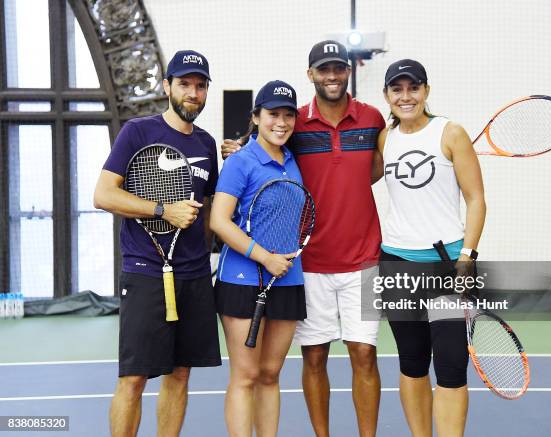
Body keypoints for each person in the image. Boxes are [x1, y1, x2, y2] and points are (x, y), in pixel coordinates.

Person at [222, 41, 385, 437]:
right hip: (308, 266)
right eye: (323, 69)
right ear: (310, 74)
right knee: (313, 358)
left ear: (349, 72)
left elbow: (375, 169)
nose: (332, 75)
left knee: (364, 353)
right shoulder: (295, 127)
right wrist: (241, 148)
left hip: (363, 261)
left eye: (339, 68)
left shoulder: (373, 119)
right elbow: (263, 151)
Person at [93, 50, 221, 437]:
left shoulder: (207, 143)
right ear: (167, 87)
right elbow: (103, 195)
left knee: (180, 374)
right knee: (134, 379)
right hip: (146, 273)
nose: (192, 93)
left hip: (195, 275)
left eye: (200, 86)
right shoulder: (138, 132)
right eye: (184, 84)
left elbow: (210, 206)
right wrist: (162, 210)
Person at [377, 59, 486, 437]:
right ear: (387, 95)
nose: (405, 96)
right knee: (412, 361)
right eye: (397, 89)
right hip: (396, 264)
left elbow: (476, 199)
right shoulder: (385, 138)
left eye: (413, 88)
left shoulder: (451, 133)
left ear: (426, 91)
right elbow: (344, 170)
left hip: (447, 266)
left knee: (452, 365)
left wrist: (467, 256)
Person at [210, 80, 306, 437]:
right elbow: (219, 221)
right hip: (243, 281)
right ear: (256, 117)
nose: (280, 122)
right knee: (246, 375)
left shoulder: (295, 160)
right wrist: (265, 258)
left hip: (288, 280)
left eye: (287, 115)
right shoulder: (241, 161)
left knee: (270, 374)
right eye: (272, 114)